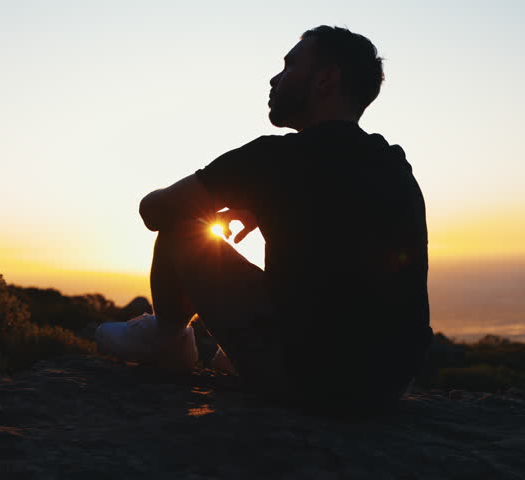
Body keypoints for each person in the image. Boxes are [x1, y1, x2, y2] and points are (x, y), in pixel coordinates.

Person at [96, 25, 432, 415]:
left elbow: (155, 211)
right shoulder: (391, 162)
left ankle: (167, 338)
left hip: (307, 381)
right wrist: (261, 205)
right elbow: (343, 221)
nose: (275, 78)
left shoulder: (272, 159)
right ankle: (244, 354)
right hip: (389, 383)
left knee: (181, 231)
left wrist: (207, 205)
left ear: (326, 79)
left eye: (290, 65)